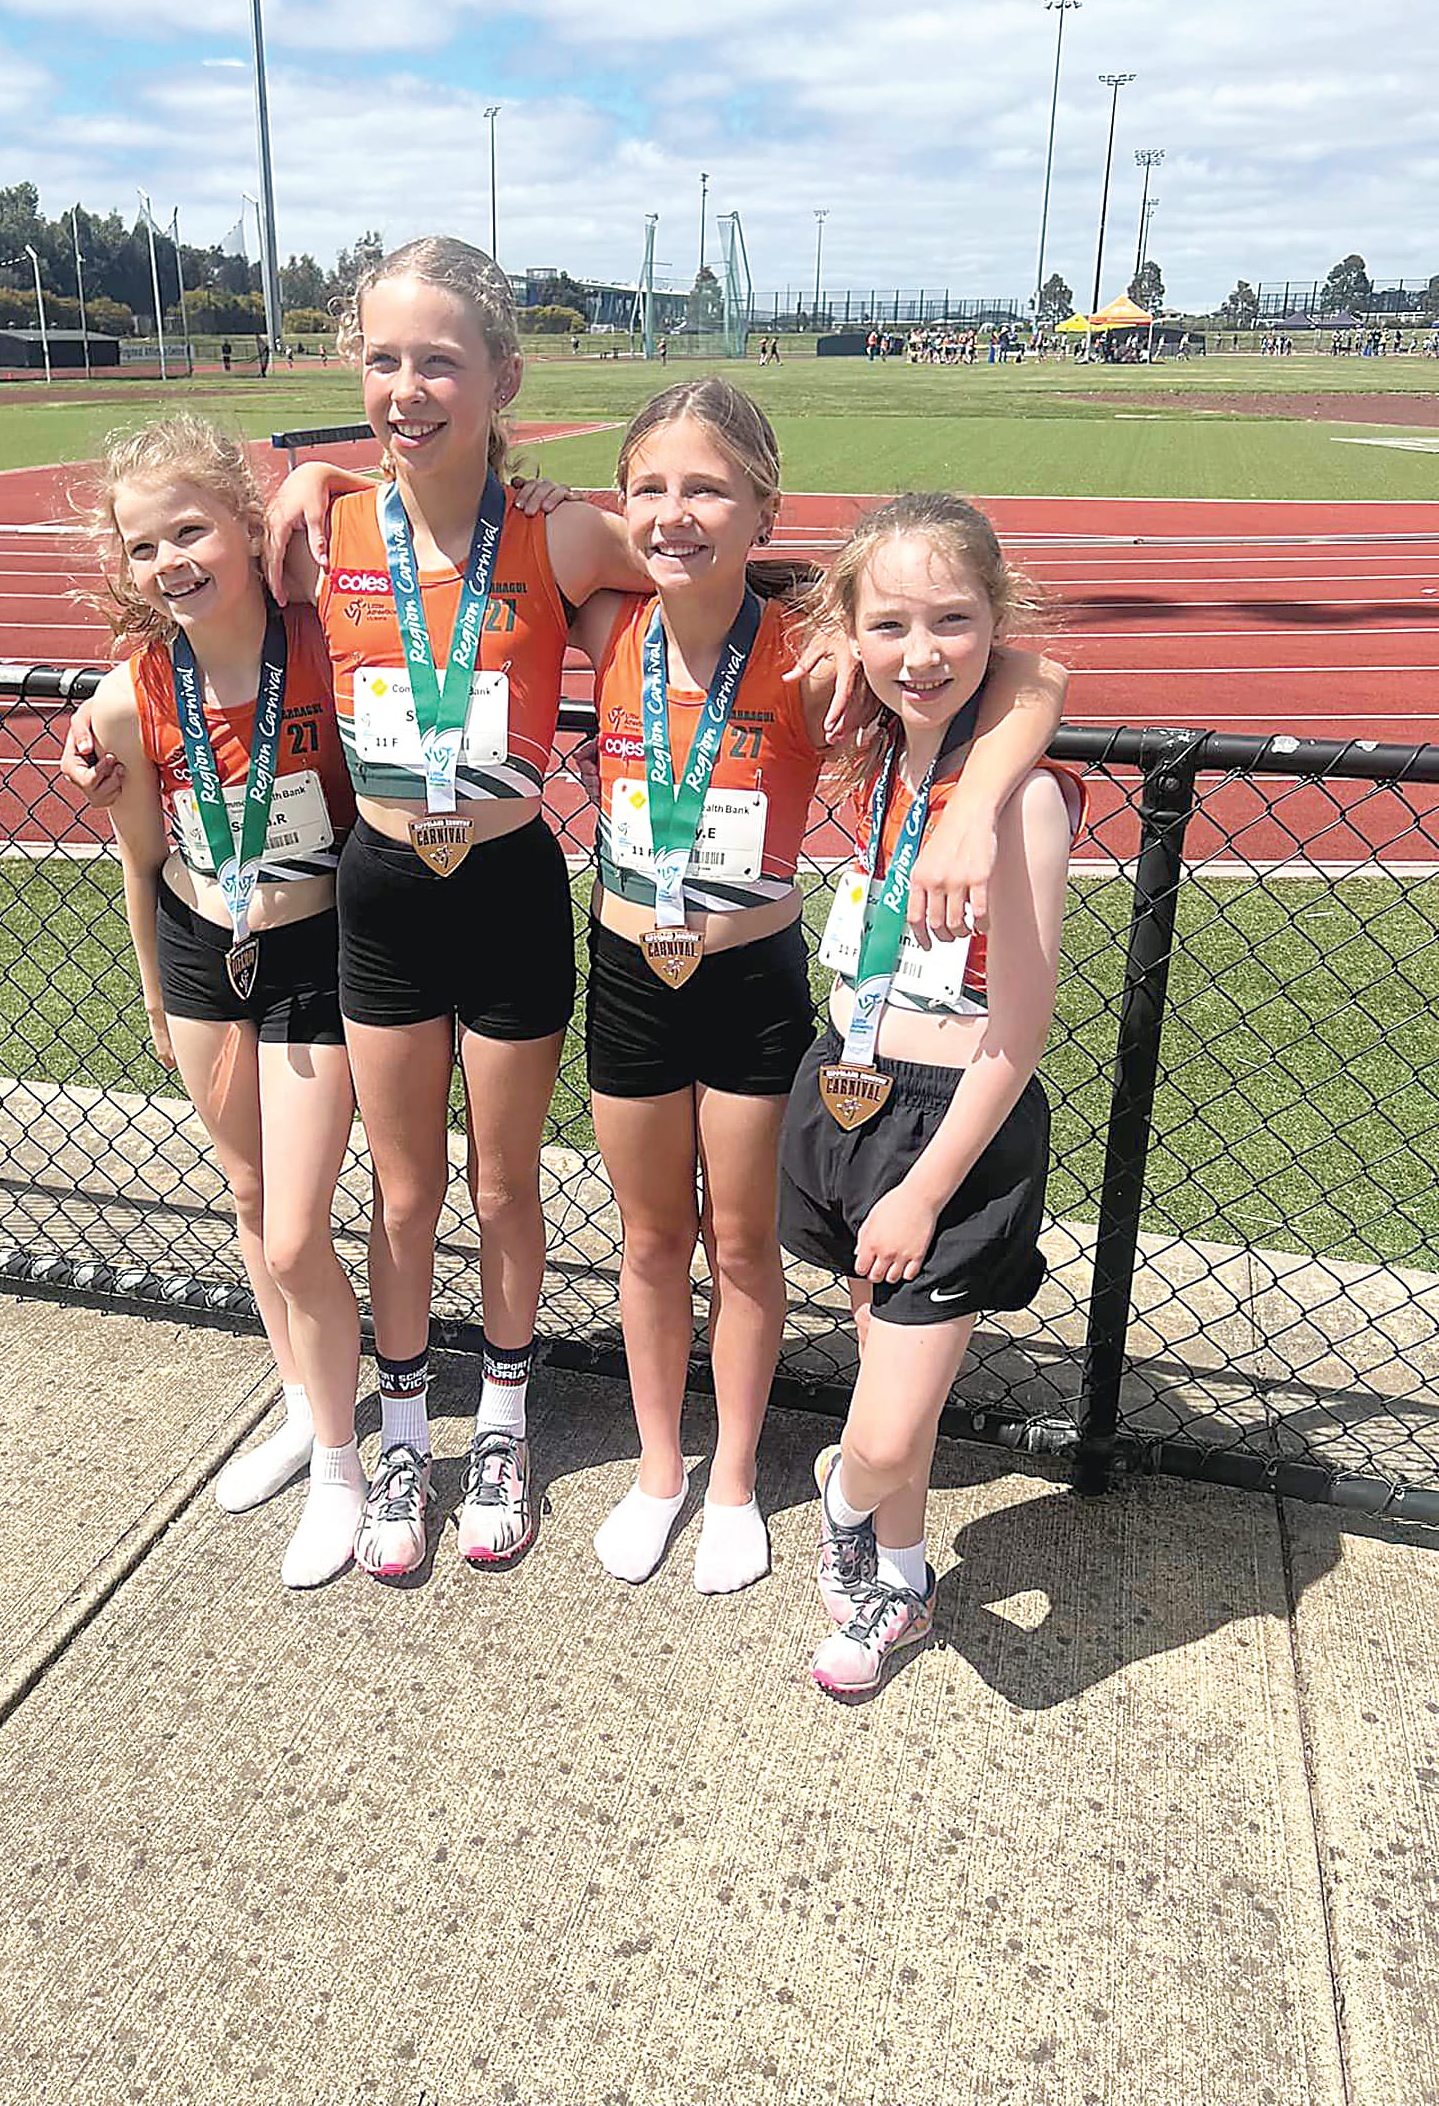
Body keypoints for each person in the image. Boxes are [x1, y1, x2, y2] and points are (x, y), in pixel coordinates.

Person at [571, 387, 1066, 1595]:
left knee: (742, 1246)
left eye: (708, 489)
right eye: (650, 487)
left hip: (749, 981)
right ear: (621, 498)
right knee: (647, 1240)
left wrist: (987, 796)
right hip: (628, 971)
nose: (675, 513)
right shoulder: (602, 621)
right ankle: (658, 1469)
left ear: (761, 507)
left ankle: (735, 1477)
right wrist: (321, 483)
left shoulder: (816, 656)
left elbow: (1027, 674)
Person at [262, 236, 651, 1576]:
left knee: (500, 1186)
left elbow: (713, 595)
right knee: (405, 1188)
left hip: (508, 887)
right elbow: (179, 604)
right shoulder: (322, 527)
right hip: (380, 888)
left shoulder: (561, 532)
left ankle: (503, 1421)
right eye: (384, 359)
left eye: (440, 359)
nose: (408, 385)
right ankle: (407, 1433)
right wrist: (309, 471)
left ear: (503, 376)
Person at [778, 492, 1082, 1697]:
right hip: (853, 1094)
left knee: (888, 1428)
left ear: (994, 625)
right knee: (883, 1382)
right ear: (849, 631)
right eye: (891, 623)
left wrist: (920, 1193)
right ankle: (897, 1584)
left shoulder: (1023, 800)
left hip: (953, 1135)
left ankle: (845, 1504)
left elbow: (1016, 1036)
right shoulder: (883, 748)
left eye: (953, 622)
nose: (921, 652)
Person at [76, 413, 374, 1589]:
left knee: (300, 1226)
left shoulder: (329, 645)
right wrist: (159, 995)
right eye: (144, 549)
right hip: (209, 958)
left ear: (250, 533)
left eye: (192, 531)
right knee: (250, 1201)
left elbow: (392, 515)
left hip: (322, 958)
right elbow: (141, 862)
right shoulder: (124, 700)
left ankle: (347, 1468)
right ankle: (302, 1411)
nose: (171, 564)